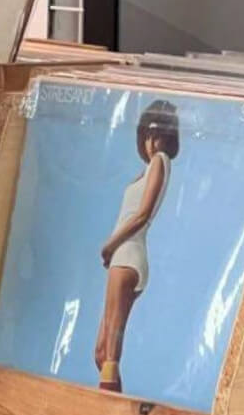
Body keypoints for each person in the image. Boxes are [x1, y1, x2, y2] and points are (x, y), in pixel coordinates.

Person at [93, 100, 180, 394]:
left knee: (112, 350)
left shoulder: (160, 161)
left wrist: (109, 245)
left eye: (157, 135)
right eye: (147, 135)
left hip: (127, 254)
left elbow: (142, 214)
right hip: (123, 256)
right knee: (102, 352)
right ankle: (118, 404)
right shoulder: (148, 169)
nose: (151, 142)